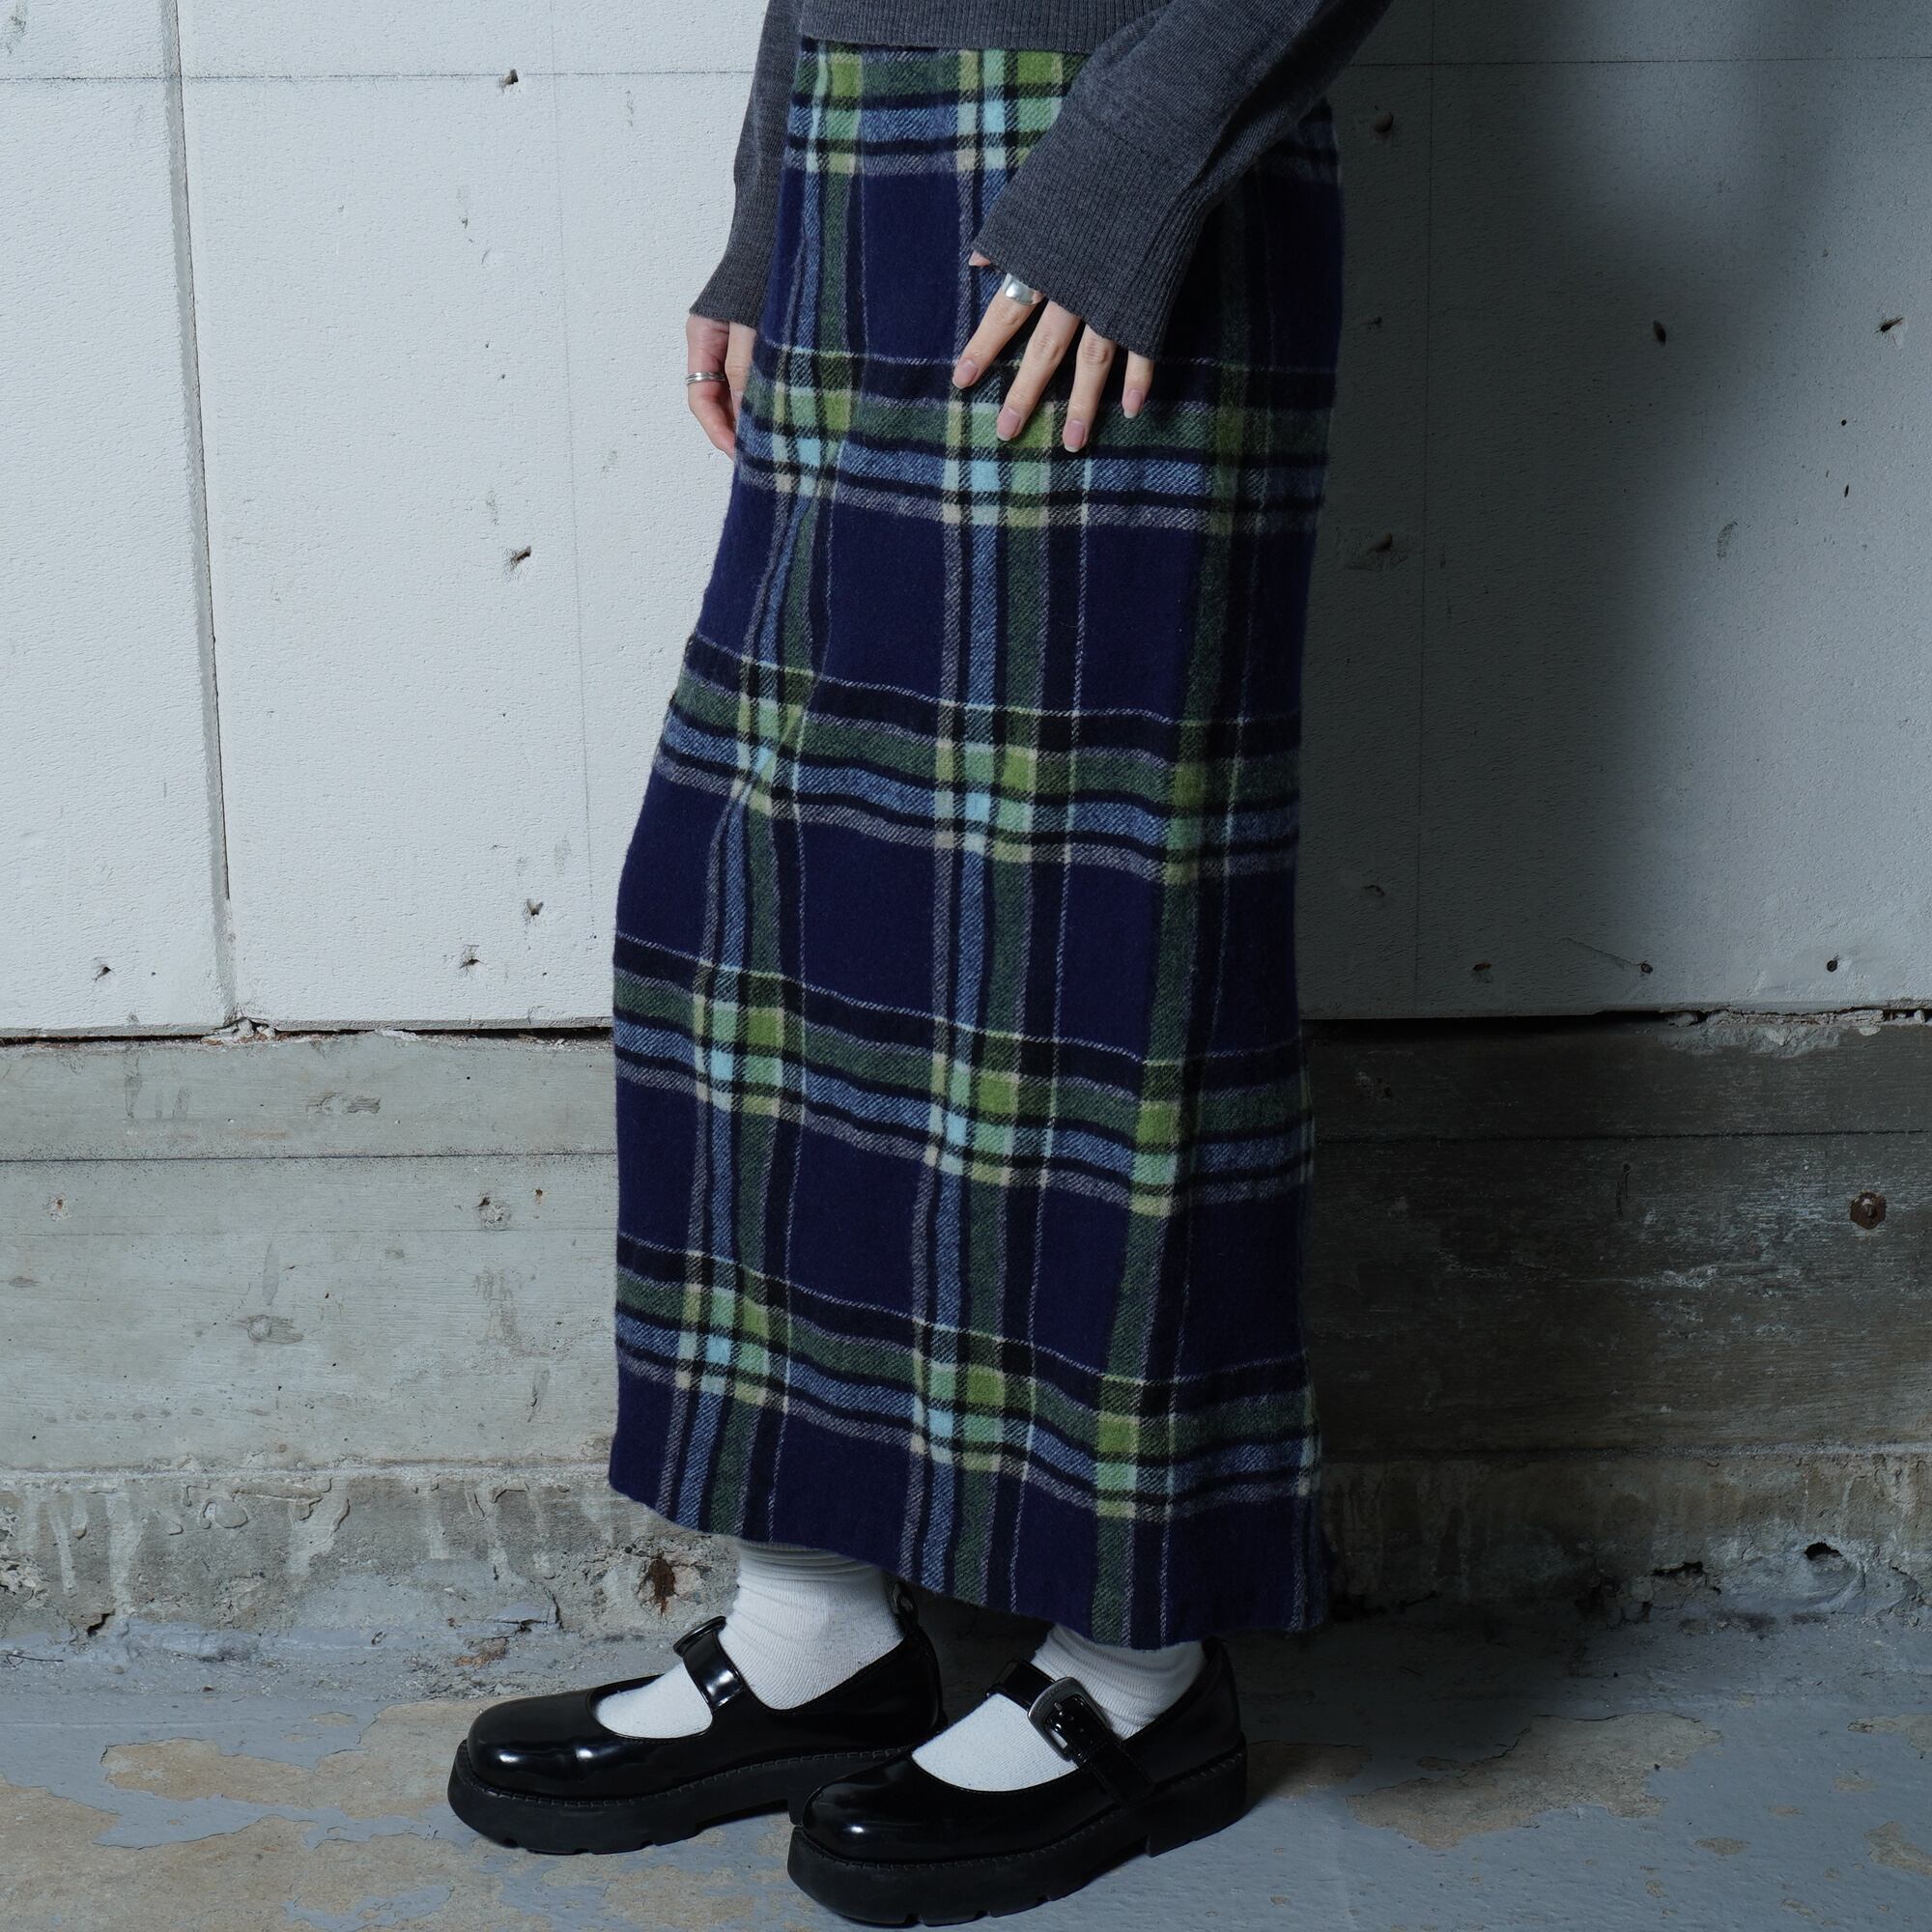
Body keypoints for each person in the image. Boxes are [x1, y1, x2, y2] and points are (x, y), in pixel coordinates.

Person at [451, 0, 1394, 1918]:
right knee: (767, 926)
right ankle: (816, 1631)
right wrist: (766, 204)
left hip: (1136, 165)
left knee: (1108, 960)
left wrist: (1132, 161)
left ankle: (1139, 1674)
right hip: (863, 177)